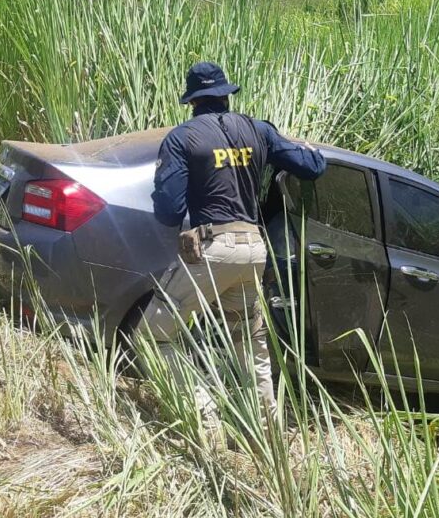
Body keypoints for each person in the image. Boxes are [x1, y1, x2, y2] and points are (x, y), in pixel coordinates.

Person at [135, 61, 326, 426]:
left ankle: (207, 420)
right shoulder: (259, 131)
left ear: (192, 101)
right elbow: (311, 167)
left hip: (213, 250)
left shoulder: (183, 138)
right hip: (255, 252)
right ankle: (269, 433)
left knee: (154, 337)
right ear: (226, 95)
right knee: (250, 347)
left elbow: (168, 209)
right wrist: (311, 153)